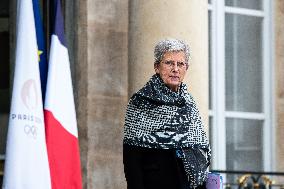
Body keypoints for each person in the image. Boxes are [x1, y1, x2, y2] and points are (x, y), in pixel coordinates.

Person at [123, 38, 211, 189]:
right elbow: (132, 161)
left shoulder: (189, 103)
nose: (175, 69)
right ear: (157, 67)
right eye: (169, 63)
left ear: (186, 68)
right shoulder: (140, 102)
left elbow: (200, 151)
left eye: (180, 64)